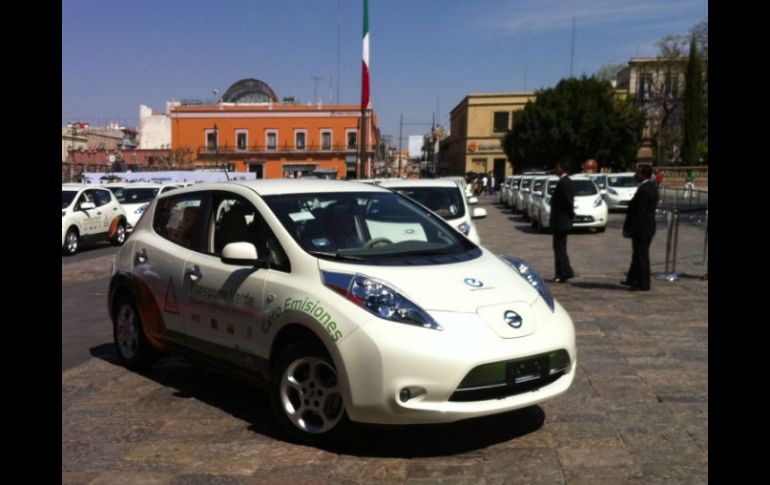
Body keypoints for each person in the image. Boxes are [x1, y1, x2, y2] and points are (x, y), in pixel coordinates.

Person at [621, 164, 659, 291]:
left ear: (643, 174)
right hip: (646, 226)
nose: (635, 175)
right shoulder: (649, 187)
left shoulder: (645, 189)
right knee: (637, 255)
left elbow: (639, 213)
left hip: (642, 228)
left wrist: (630, 229)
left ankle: (643, 283)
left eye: (637, 173)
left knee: (641, 255)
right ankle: (633, 279)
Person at [549, 162, 575, 283]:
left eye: (557, 168)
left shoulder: (565, 182)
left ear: (562, 169)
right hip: (561, 220)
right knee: (560, 247)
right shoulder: (564, 181)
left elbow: (568, 202)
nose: (555, 169)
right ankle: (566, 270)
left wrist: (569, 216)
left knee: (559, 248)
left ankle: (562, 273)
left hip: (561, 221)